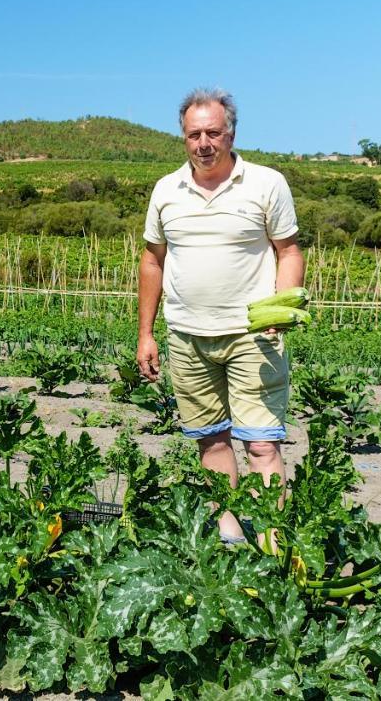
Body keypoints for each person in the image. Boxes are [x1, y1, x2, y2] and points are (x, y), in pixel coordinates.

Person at [136, 87, 303, 544]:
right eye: (194, 134)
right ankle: (229, 538)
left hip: (252, 335)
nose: (204, 143)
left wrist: (281, 310)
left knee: (262, 442)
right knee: (211, 439)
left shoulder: (267, 183)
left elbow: (288, 251)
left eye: (213, 132)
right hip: (188, 337)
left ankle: (273, 542)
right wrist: (145, 334)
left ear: (231, 133)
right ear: (183, 137)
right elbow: (153, 261)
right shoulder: (167, 190)